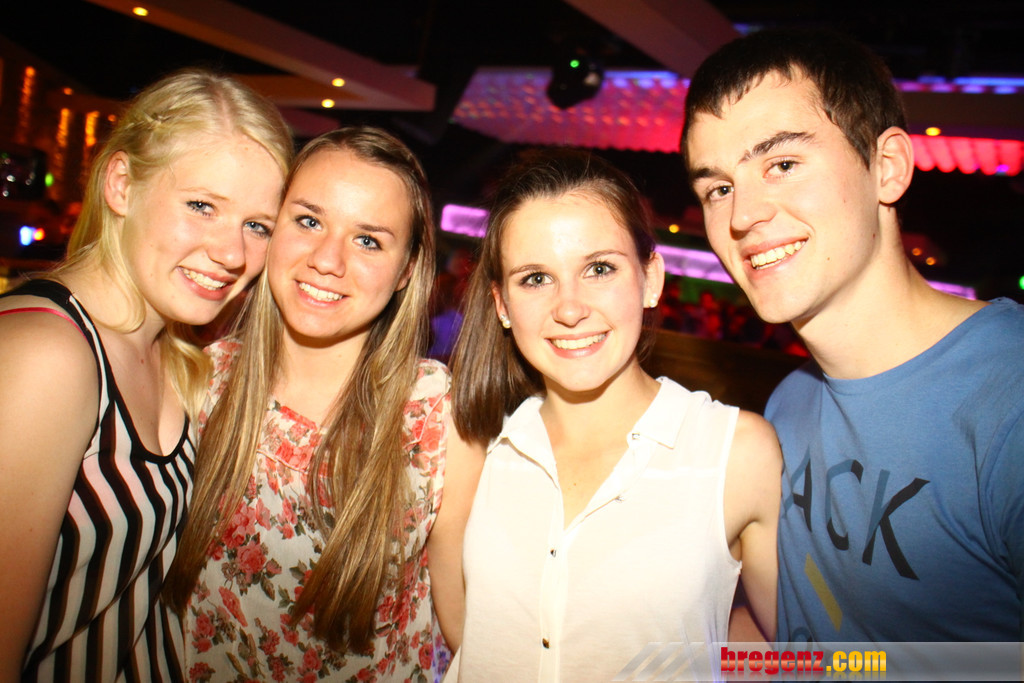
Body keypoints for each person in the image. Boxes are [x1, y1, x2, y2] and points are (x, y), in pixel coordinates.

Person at [682, 28, 1024, 644]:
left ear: (886, 168)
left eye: (782, 165)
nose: (742, 216)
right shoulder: (789, 403)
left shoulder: (1009, 399)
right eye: (719, 188)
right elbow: (811, 641)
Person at [0, 68, 291, 681]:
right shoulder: (46, 353)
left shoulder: (178, 352)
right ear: (121, 184)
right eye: (202, 206)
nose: (232, 253)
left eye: (257, 226)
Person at [163, 127, 483, 682]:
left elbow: (466, 625)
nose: (327, 260)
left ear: (407, 270)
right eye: (309, 221)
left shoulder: (438, 417)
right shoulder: (197, 381)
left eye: (368, 240)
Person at [448, 148, 782, 680]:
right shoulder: (476, 444)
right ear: (502, 304)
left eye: (599, 269)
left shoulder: (735, 452)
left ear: (651, 279)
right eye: (535, 278)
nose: (570, 308)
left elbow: (796, 648)